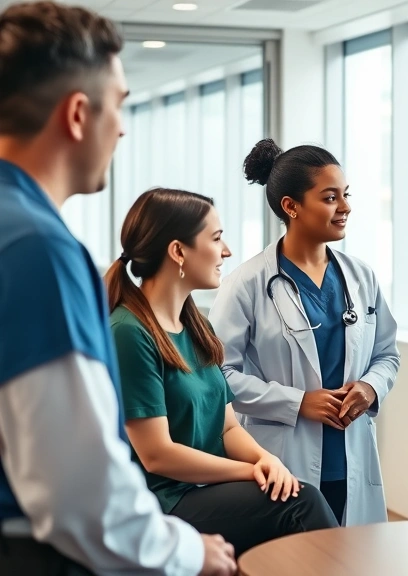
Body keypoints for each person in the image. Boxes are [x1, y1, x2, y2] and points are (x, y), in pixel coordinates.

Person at [0, 3, 234, 574]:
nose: (124, 127)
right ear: (78, 114)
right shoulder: (38, 249)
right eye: (121, 104)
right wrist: (188, 552)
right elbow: (77, 489)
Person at [107, 188, 339, 556]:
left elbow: (228, 427)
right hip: (163, 501)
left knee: (288, 496)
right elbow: (157, 455)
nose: (226, 251)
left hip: (203, 491)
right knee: (300, 503)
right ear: (178, 251)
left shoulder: (196, 325)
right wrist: (250, 472)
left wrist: (266, 460)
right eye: (216, 238)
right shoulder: (129, 332)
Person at [209, 138, 399, 525]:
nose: (345, 207)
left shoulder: (360, 276)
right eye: (330, 197)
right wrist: (297, 402)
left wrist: (370, 387)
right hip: (282, 454)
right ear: (291, 206)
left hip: (350, 455)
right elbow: (219, 377)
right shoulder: (246, 283)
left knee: (353, 560)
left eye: (345, 195)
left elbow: (387, 354)